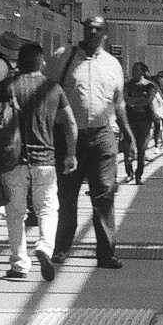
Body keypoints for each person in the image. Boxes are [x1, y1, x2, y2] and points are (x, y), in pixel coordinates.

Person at [49, 15, 124, 270]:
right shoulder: (63, 57)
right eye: (88, 27)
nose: (92, 31)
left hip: (103, 136)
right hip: (70, 137)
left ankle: (106, 254)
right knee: (67, 195)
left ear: (105, 33)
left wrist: (128, 136)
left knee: (104, 195)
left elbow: (118, 102)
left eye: (97, 28)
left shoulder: (113, 64)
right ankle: (61, 249)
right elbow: (46, 91)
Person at [0, 41, 73, 282]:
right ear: (42, 62)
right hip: (45, 160)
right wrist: (71, 153)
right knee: (48, 209)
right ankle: (45, 247)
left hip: (13, 160)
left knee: (15, 213)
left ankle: (19, 264)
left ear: (20, 61)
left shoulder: (7, 86)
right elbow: (70, 123)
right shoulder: (53, 88)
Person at [120, 59, 157, 183]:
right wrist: (140, 99)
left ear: (142, 72)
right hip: (129, 119)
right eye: (132, 70)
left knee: (141, 148)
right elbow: (125, 99)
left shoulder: (150, 85)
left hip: (145, 120)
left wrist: (133, 101)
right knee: (127, 146)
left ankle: (138, 175)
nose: (133, 72)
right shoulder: (127, 84)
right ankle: (129, 172)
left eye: (136, 70)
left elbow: (148, 100)